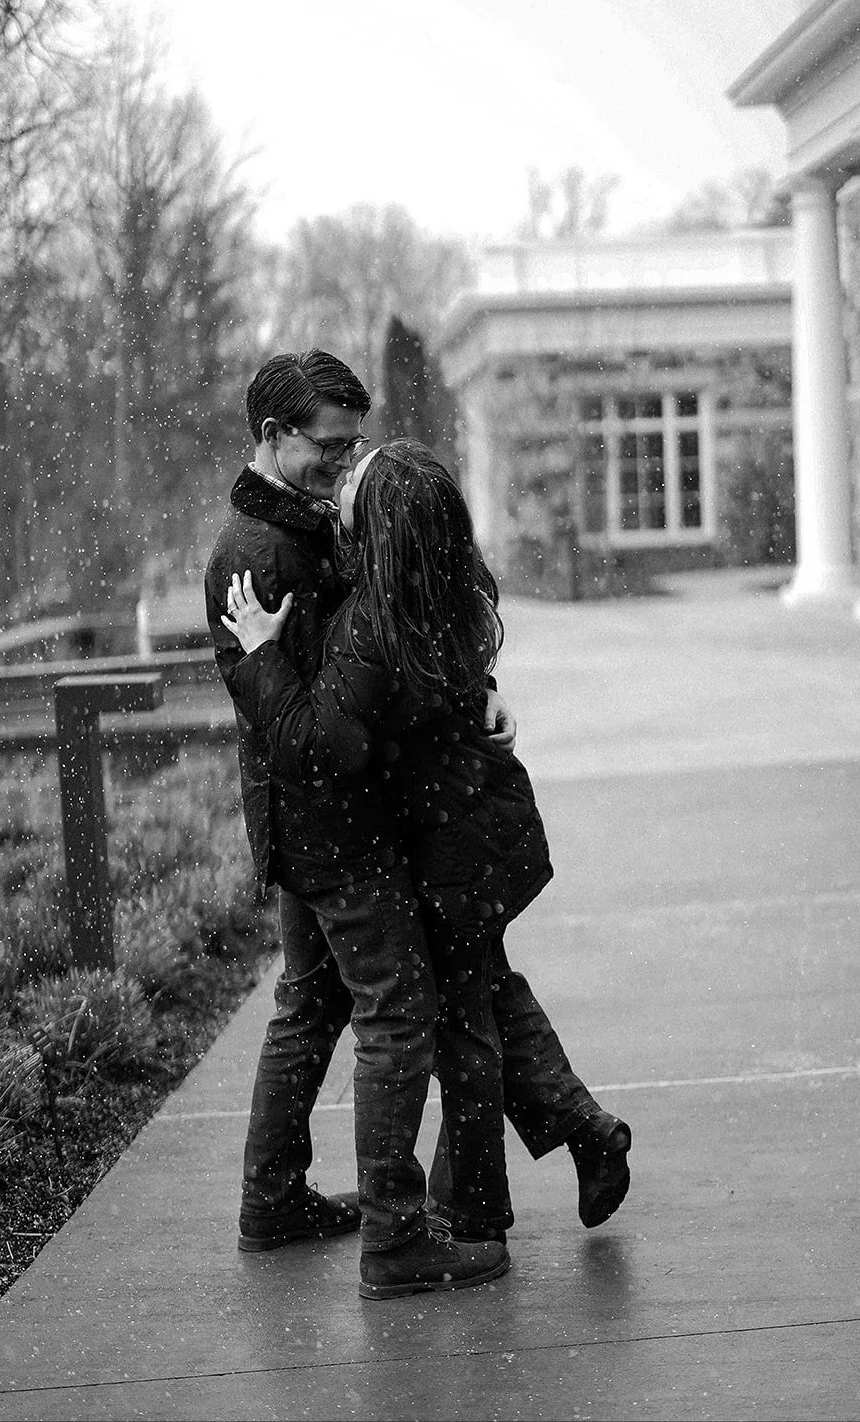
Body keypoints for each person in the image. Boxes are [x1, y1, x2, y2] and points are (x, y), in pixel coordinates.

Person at [204, 354, 630, 1295]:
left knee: (436, 1005)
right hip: (348, 833)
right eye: (330, 445)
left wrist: (472, 702)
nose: (342, 464)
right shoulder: (262, 555)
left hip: (411, 829)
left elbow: (367, 694)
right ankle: (428, 1214)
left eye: (353, 449)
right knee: (430, 1011)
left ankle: (424, 1203)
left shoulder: (355, 556)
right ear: (273, 438)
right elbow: (313, 742)